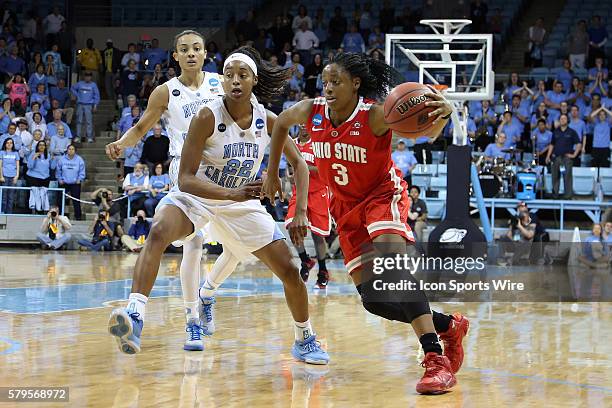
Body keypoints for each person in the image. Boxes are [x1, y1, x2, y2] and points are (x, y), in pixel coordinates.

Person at [107, 45, 330, 366]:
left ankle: (304, 338)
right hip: (201, 194)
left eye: (242, 75)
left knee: (291, 271)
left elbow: (301, 165)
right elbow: (184, 179)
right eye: (228, 75)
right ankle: (135, 313)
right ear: (221, 82)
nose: (235, 81)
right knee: (159, 230)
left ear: (254, 81)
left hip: (242, 204)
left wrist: (299, 213)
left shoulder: (267, 120)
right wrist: (231, 195)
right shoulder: (206, 116)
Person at [263, 52, 467, 394]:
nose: (327, 88)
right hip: (344, 208)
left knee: (395, 266)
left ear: (356, 84)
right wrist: (272, 174)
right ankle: (449, 325)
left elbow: (427, 132)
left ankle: (436, 359)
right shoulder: (311, 111)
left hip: (381, 196)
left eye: (336, 82)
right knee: (374, 300)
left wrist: (444, 113)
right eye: (325, 81)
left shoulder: (376, 115)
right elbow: (280, 123)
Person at [105, 30, 228, 351]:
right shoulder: (165, 92)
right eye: (184, 49)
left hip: (224, 170)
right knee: (192, 242)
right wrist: (121, 144)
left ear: (205, 54)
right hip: (186, 171)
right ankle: (185, 321)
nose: (190, 54)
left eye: (196, 49)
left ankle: (208, 294)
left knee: (238, 250)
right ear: (175, 56)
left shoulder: (221, 84)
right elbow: (141, 128)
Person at [285, 126, 331, 288]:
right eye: (301, 124)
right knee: (292, 227)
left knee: (318, 236)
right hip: (299, 192)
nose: (305, 127)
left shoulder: (318, 144)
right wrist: (289, 178)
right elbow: (289, 168)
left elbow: (323, 169)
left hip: (318, 192)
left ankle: (323, 271)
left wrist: (302, 167)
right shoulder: (292, 144)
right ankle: (305, 260)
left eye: (307, 124)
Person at [546, 114, 581, 199]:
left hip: (567, 158)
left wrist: (574, 155)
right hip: (556, 157)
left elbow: (579, 144)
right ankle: (555, 195)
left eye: (564, 118)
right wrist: (548, 156)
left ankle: (568, 196)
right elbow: (552, 144)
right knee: (555, 177)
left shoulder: (572, 132)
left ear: (568, 121)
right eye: (561, 118)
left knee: (567, 177)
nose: (562, 120)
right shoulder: (556, 131)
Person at [56, 144, 86, 220]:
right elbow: (58, 170)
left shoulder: (79, 159)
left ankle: (78, 217)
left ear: (75, 151)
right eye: (69, 149)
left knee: (76, 201)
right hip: (64, 183)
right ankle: (59, 216)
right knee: (60, 200)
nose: (71, 151)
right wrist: (59, 179)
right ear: (67, 150)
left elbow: (82, 171)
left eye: (73, 149)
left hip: (75, 184)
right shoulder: (62, 159)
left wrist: (80, 179)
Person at [71, 71, 100, 143]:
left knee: (89, 121)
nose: (87, 77)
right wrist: (77, 96)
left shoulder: (93, 85)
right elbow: (72, 88)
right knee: (79, 121)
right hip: (80, 104)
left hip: (89, 105)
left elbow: (97, 96)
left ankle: (89, 137)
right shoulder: (80, 83)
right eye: (86, 76)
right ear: (84, 77)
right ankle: (78, 136)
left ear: (91, 77)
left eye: (89, 76)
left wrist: (95, 105)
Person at [0, 137, 19, 213]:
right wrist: (1, 176)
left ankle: (9, 213)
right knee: (4, 196)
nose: (9, 144)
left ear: (13, 144)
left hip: (13, 176)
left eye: (11, 143)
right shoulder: (1, 152)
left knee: (11, 197)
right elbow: (0, 165)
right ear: (5, 144)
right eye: (7, 142)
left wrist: (17, 176)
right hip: (4, 176)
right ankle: (2, 212)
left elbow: (18, 165)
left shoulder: (16, 153)